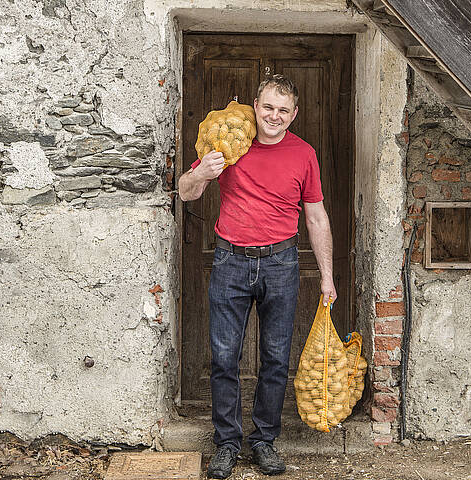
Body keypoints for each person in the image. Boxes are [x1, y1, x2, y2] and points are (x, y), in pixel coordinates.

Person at [178, 74, 337, 479]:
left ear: (294, 114)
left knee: (274, 358)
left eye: (283, 110)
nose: (274, 116)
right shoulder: (229, 143)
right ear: (255, 105)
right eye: (268, 107)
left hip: (281, 263)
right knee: (224, 358)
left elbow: (316, 217)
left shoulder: (304, 154)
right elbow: (185, 192)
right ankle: (227, 444)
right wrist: (202, 173)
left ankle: (264, 440)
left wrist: (327, 277)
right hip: (230, 260)